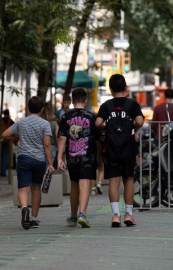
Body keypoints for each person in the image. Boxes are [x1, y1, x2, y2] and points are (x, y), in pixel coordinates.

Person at [96, 74, 144, 227]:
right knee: (128, 179)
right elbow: (140, 121)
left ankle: (115, 215)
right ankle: (128, 214)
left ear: (110, 89)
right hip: (128, 147)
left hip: (112, 148)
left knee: (114, 181)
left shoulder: (106, 106)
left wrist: (105, 127)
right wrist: (133, 128)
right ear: (125, 88)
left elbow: (97, 123)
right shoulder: (132, 104)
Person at [2, 96, 55, 230]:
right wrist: (50, 163)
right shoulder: (45, 124)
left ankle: (24, 208)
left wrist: (17, 136)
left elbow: (5, 134)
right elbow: (47, 144)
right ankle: (34, 218)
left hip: (24, 158)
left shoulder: (21, 122)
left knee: (23, 188)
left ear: (29, 108)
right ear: (42, 109)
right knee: (36, 188)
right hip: (39, 160)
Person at [57, 88, 99, 228]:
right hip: (88, 156)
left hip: (72, 156)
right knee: (85, 183)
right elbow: (98, 139)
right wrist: (99, 156)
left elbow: (62, 138)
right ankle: (82, 214)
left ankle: (74, 216)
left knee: (74, 184)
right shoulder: (92, 117)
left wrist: (59, 158)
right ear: (86, 100)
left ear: (72, 101)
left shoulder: (65, 117)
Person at [0, 109, 15, 177]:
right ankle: (3, 171)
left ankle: (1, 171)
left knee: (0, 157)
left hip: (0, 141)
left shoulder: (0, 121)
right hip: (8, 141)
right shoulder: (11, 121)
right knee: (6, 157)